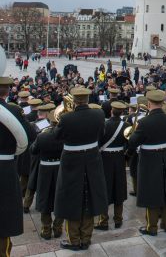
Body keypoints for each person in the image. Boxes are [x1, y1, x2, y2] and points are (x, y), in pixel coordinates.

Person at [53, 86, 107, 251]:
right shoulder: (99, 114)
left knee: (71, 199)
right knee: (90, 197)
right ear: (88, 100)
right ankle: (86, 238)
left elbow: (57, 136)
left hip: (71, 161)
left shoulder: (67, 118)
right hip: (92, 158)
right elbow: (101, 133)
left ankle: (74, 240)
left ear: (74, 101)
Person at [127, 89, 166, 236]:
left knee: (151, 193)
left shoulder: (144, 122)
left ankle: (152, 226)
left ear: (149, 103)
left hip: (150, 160)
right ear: (162, 103)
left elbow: (133, 142)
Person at [0, 76, 34, 257]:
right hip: (5, 168)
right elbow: (30, 136)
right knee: (3, 217)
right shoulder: (14, 110)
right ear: (7, 91)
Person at [30, 109, 64, 240]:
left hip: (44, 170)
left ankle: (46, 229)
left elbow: (33, 150)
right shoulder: (64, 136)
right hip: (60, 169)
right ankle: (57, 227)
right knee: (60, 198)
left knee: (45, 200)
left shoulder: (42, 136)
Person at [95, 101, 128, 231]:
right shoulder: (126, 125)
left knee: (105, 188)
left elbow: (98, 142)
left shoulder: (104, 125)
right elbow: (129, 142)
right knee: (119, 187)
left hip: (105, 159)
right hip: (119, 158)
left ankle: (103, 221)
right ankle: (118, 219)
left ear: (111, 111)